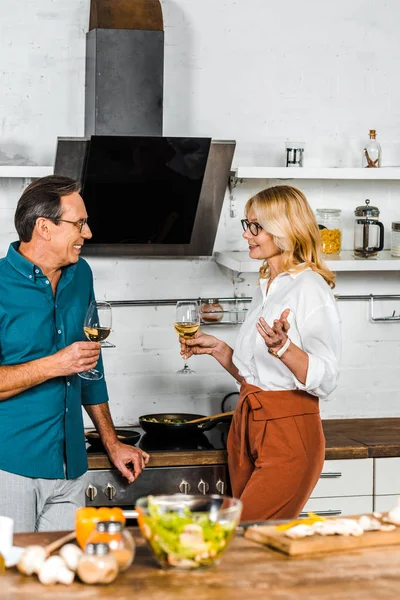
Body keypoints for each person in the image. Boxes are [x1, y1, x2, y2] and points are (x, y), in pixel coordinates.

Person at [181, 185, 341, 522]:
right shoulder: (268, 285)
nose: (246, 234)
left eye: (257, 226)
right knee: (249, 545)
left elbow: (326, 378)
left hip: (288, 433)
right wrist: (220, 350)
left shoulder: (309, 288)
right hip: (248, 426)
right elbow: (256, 377)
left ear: (285, 230)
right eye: (247, 223)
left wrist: (284, 348)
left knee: (242, 537)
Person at [0, 175, 149, 533]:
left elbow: (91, 368)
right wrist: (56, 364)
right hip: (11, 467)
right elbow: (66, 362)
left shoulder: (80, 274)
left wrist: (111, 443)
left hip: (72, 468)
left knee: (65, 577)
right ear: (44, 227)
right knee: (12, 582)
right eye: (79, 223)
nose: (88, 233)